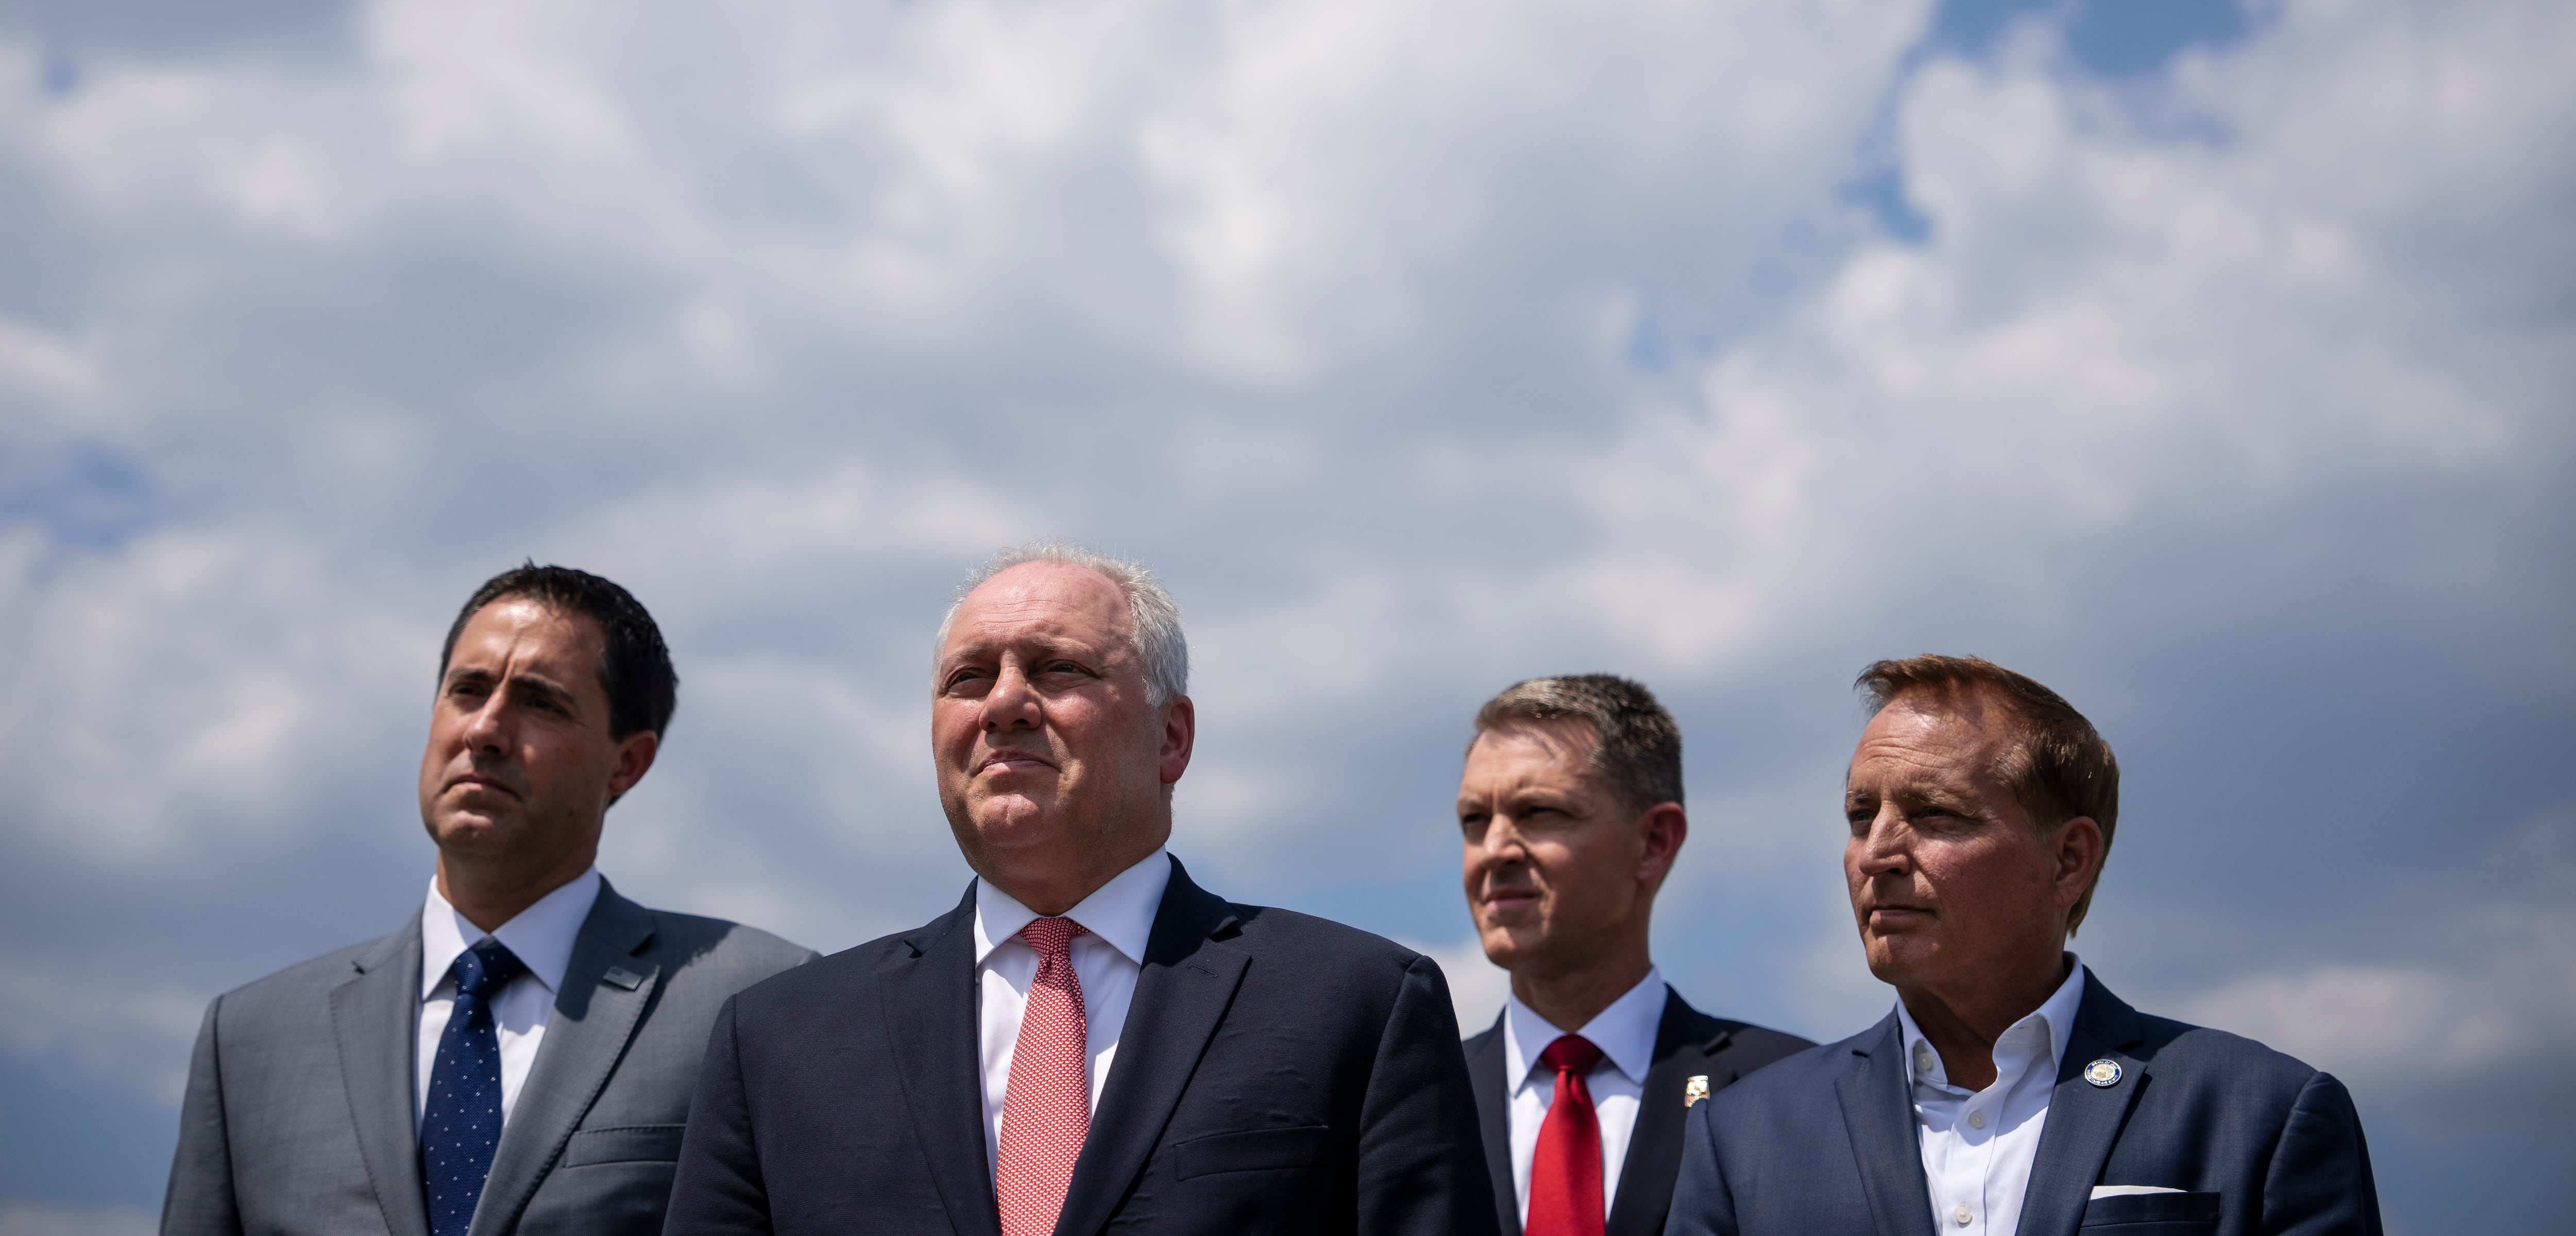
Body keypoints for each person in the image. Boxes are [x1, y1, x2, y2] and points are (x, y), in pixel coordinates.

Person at [666, 542, 1500, 1236]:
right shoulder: (779, 1043)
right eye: (968, 678)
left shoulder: (1355, 1004)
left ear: (1171, 736)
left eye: (1057, 667)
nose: (1003, 703)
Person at [161, 564, 813, 1236]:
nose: (485, 729)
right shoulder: (249, 1040)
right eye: (467, 690)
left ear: (626, 764)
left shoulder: (761, 999)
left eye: (541, 703)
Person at [1667, 655, 2382, 1236]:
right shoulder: (1742, 1137)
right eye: (1860, 815)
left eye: (1933, 813)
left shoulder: (2259, 1112)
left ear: (2069, 860)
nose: (1876, 853)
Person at [1456, 676, 1809, 1236]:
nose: (1493, 849)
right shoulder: (1411, 1100)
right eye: (1474, 820)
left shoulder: (1794, 1091)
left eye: (1539, 811)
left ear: (1654, 842)